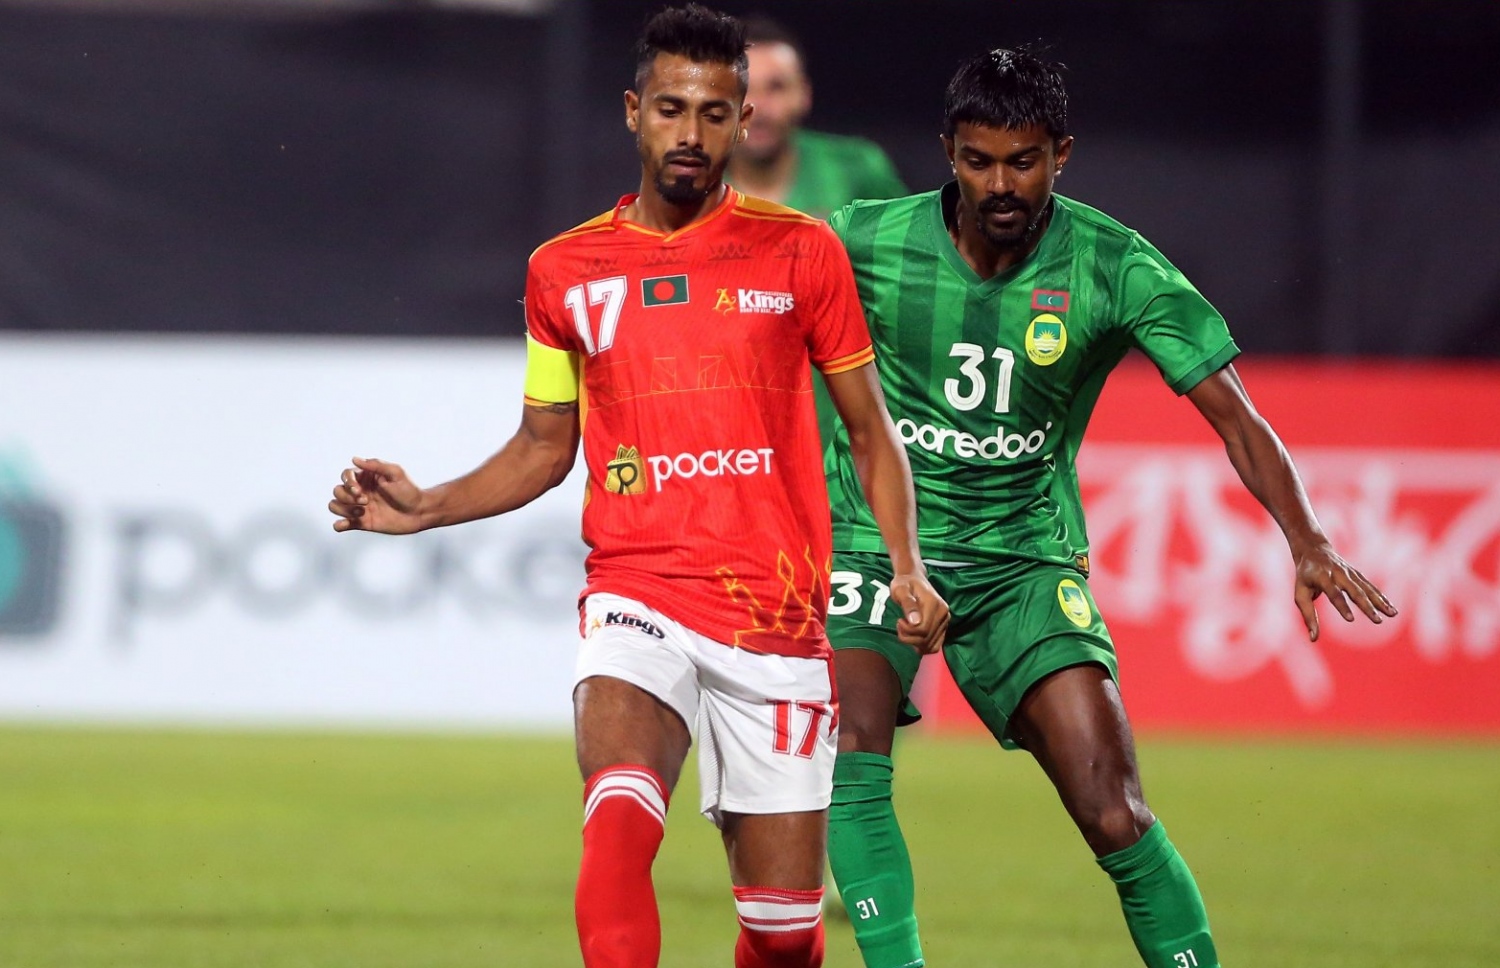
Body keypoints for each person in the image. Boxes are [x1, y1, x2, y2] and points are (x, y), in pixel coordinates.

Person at [327, 7, 948, 968]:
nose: (690, 132)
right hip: (638, 591)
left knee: (785, 936)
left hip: (777, 613)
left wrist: (906, 565)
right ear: (632, 112)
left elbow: (871, 431)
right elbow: (544, 445)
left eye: (713, 112)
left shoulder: (801, 251)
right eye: (670, 108)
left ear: (743, 121)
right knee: (619, 808)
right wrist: (429, 505)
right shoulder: (563, 271)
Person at [819, 47, 1398, 968]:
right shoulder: (862, 237)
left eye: (1023, 162)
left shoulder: (1114, 264)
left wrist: (1308, 537)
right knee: (851, 749)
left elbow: (1236, 417)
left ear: (1062, 153)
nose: (999, 185)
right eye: (978, 161)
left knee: (1114, 810)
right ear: (947, 151)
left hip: (1022, 560)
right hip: (875, 544)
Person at [726, 16, 908, 222]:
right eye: (742, 88)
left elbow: (906, 238)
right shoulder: (697, 178)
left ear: (804, 94)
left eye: (776, 87)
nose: (757, 107)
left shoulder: (858, 169)